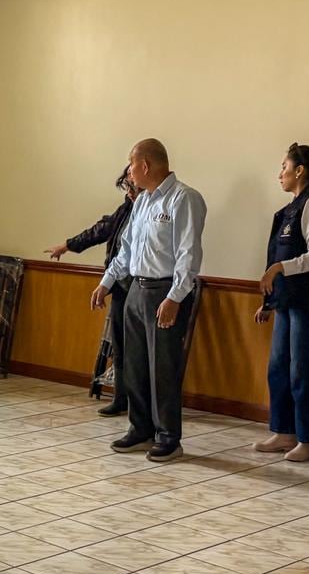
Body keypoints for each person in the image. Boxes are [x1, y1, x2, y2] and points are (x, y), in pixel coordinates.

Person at [90, 138, 206, 462]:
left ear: (144, 165)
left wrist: (175, 297)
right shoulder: (141, 203)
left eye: (130, 164)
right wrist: (107, 282)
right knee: (134, 364)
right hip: (135, 290)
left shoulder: (184, 199)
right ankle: (140, 429)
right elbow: (125, 250)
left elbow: (188, 254)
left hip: (164, 292)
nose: (128, 171)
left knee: (163, 368)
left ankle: (169, 437)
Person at [253, 144, 309, 462]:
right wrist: (268, 302)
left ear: (299, 170)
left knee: (303, 369)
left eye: (284, 167)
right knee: (278, 367)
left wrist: (280, 268)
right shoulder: (288, 211)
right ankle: (284, 431)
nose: (280, 174)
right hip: (287, 301)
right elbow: (277, 256)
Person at [47, 166, 138, 417]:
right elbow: (102, 229)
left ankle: (140, 405)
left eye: (132, 186)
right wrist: (68, 245)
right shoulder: (126, 208)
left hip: (143, 286)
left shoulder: (154, 208)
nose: (129, 192)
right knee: (119, 343)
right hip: (120, 284)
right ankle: (121, 398)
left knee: (138, 348)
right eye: (127, 186)